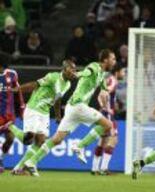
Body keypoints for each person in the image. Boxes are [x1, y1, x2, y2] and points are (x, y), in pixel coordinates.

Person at [23, 49, 116, 177]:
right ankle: (80, 145)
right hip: (78, 105)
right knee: (108, 125)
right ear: (105, 59)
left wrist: (104, 95)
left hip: (72, 107)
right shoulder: (94, 66)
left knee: (57, 139)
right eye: (113, 58)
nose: (114, 61)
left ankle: (31, 162)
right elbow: (86, 72)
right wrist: (77, 74)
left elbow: (104, 88)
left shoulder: (102, 75)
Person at [9, 59, 76, 175]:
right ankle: (10, 126)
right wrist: (18, 89)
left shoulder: (68, 85)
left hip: (45, 113)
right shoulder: (53, 77)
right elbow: (35, 84)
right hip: (34, 107)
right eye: (71, 69)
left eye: (75, 70)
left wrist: (58, 116)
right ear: (64, 70)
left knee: (40, 142)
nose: (73, 72)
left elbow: (57, 100)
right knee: (28, 139)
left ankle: (18, 169)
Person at [85, 66, 124, 175]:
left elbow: (100, 95)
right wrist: (106, 108)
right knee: (113, 140)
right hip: (108, 116)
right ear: (117, 72)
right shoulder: (113, 80)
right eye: (123, 71)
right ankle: (104, 168)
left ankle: (94, 168)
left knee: (102, 141)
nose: (124, 74)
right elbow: (104, 93)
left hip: (104, 114)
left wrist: (104, 106)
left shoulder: (108, 79)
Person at [0, 53, 25, 173]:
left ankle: (0, 158)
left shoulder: (12, 74)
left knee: (10, 138)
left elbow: (18, 92)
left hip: (9, 114)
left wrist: (21, 109)